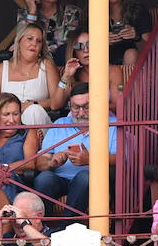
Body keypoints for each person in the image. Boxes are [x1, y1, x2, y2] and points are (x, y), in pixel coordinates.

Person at [33, 83, 115, 227]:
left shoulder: (112, 124)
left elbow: (122, 159)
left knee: (85, 177)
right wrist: (52, 162)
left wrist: (91, 160)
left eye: (87, 107)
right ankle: (41, 229)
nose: (81, 113)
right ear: (70, 106)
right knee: (44, 178)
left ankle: (65, 229)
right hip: (60, 178)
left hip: (93, 182)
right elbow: (40, 162)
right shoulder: (60, 124)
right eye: (76, 108)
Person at [0, 19, 67, 127]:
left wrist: (33, 104)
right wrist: (8, 107)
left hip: (36, 124)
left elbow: (56, 102)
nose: (34, 43)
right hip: (6, 124)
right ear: (19, 41)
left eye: (39, 41)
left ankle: (30, 143)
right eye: (30, 39)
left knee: (33, 111)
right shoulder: (4, 67)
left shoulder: (46, 65)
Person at [25, 0, 82, 64]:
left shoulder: (72, 13)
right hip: (34, 67)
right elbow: (24, 44)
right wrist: (32, 13)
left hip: (63, 65)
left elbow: (69, 44)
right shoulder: (25, 14)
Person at [62, 29, 125, 112]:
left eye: (90, 44)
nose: (86, 50)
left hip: (104, 119)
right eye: (79, 46)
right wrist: (66, 76)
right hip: (76, 120)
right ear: (73, 51)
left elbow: (117, 106)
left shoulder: (113, 71)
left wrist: (90, 109)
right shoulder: (72, 73)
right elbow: (55, 105)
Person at [108, 0, 153, 68]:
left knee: (131, 54)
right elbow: (83, 51)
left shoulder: (138, 11)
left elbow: (150, 50)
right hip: (104, 68)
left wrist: (136, 37)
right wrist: (101, 42)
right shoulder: (94, 13)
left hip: (134, 66)